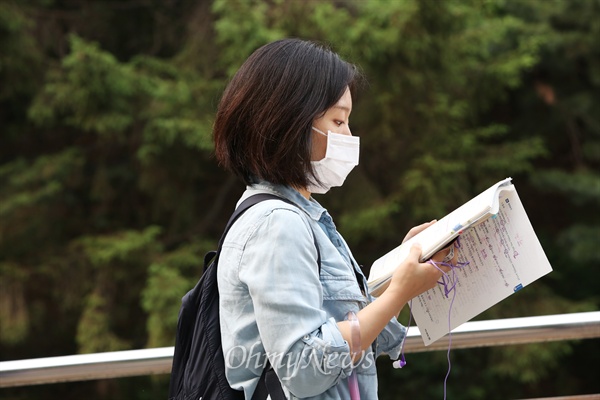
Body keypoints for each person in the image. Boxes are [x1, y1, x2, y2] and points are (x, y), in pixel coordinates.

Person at [213, 38, 454, 400]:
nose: (350, 136)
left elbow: (336, 324)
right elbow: (304, 367)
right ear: (287, 121)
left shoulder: (300, 215)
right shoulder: (278, 223)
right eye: (338, 121)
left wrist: (397, 276)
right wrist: (399, 294)